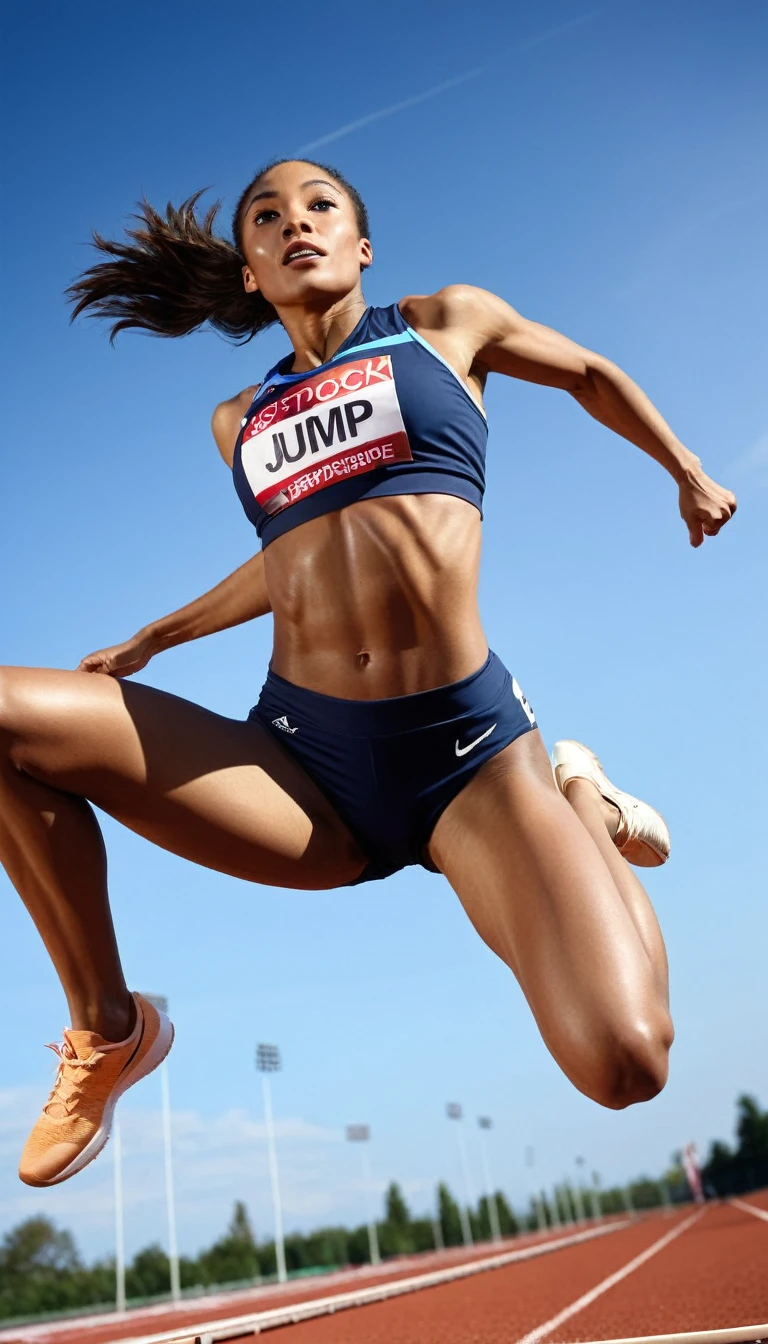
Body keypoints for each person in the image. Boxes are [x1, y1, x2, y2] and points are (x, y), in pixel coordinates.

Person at [0, 159, 736, 1190]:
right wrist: (157, 637)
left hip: (470, 764)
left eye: (320, 208)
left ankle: (580, 797)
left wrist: (687, 471)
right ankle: (108, 1029)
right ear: (250, 273)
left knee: (627, 1063)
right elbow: (296, 559)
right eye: (268, 216)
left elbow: (588, 374)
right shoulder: (239, 421)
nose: (295, 223)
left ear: (362, 247)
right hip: (304, 765)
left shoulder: (446, 325)